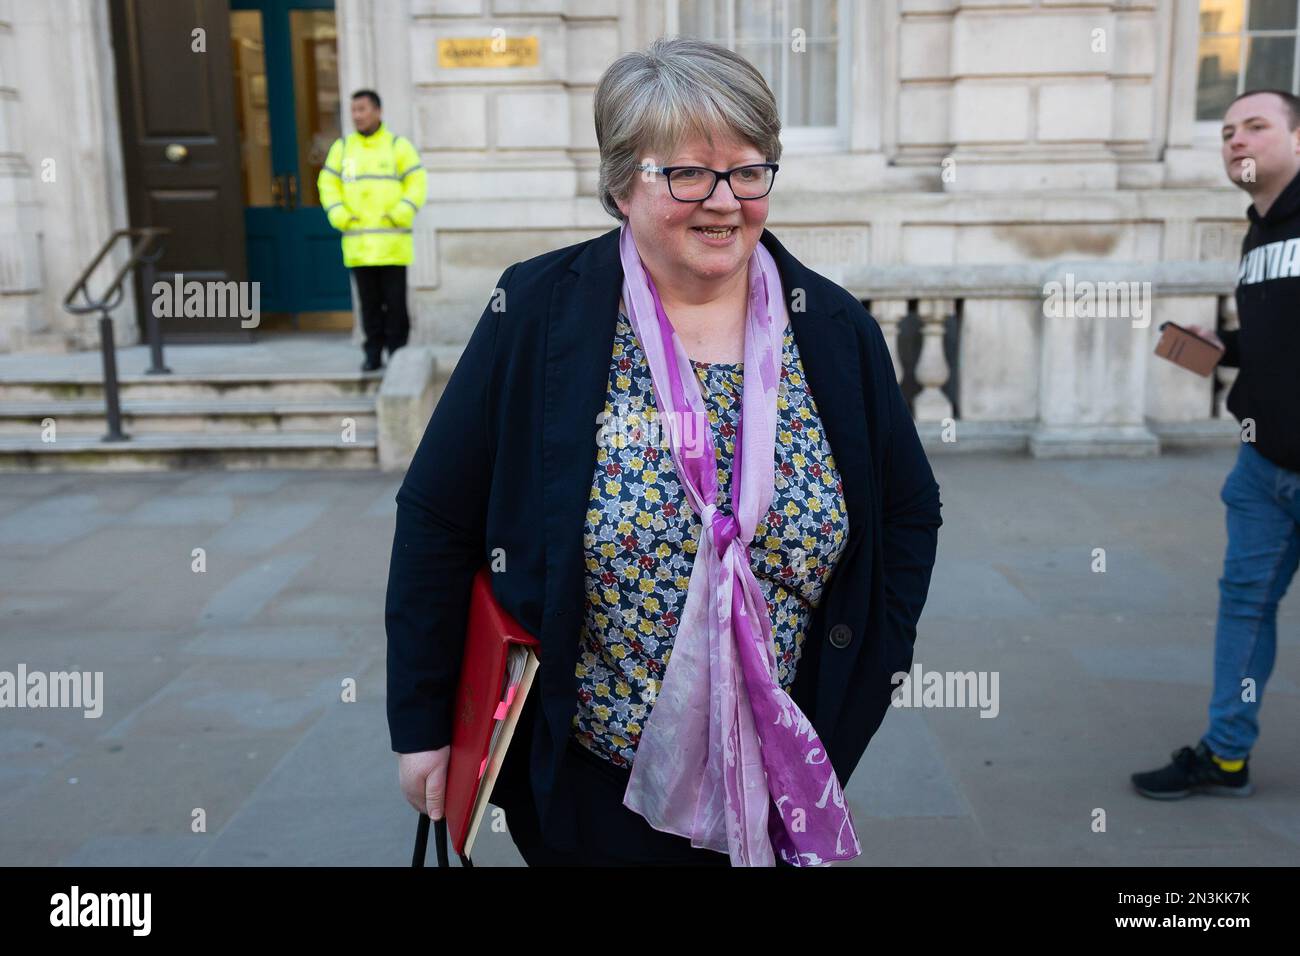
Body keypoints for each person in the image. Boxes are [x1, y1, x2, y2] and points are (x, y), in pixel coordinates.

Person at [385, 37, 942, 866]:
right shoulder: (537, 312)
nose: (724, 202)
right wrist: (426, 725)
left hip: (783, 768)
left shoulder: (832, 327)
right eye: (686, 173)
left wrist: (861, 686)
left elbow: (906, 513)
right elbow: (437, 515)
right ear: (620, 183)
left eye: (749, 171)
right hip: (592, 782)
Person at [1132, 89, 1300, 800]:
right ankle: (1227, 754)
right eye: (1228, 131)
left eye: (1256, 127)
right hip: (1262, 468)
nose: (1236, 141)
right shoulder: (1257, 232)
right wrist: (1216, 348)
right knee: (1244, 606)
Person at [317, 89, 427, 372]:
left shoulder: (397, 146)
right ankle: (373, 354)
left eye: (362, 109)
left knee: (395, 305)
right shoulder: (343, 148)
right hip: (359, 246)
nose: (357, 115)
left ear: (377, 111)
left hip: (392, 246)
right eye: (353, 110)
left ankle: (398, 354)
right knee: (369, 306)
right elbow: (327, 185)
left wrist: (400, 213)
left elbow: (417, 181)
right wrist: (339, 214)